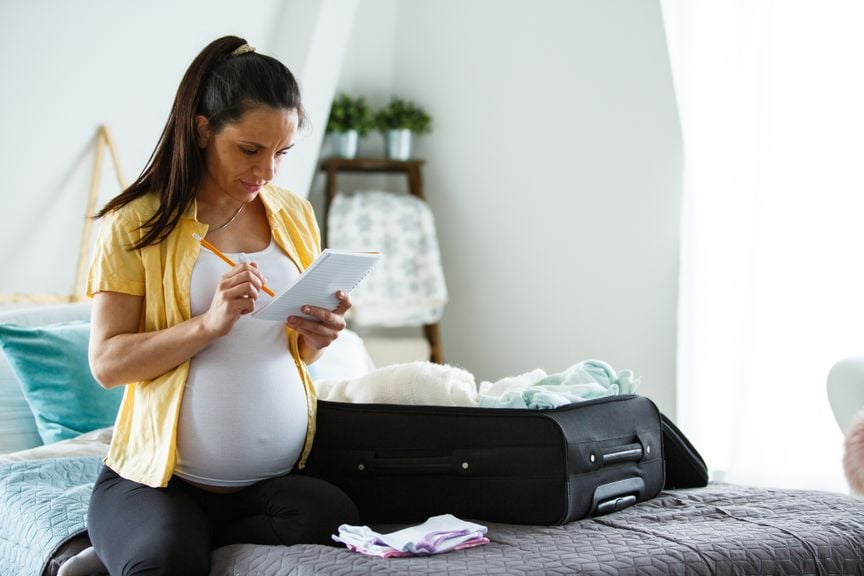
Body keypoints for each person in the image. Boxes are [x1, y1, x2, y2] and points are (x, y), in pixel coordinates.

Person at [82, 35, 360, 575]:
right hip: (160, 479)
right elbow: (107, 364)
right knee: (166, 563)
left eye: (281, 153)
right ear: (203, 128)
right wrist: (208, 324)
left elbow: (296, 355)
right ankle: (134, 539)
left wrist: (316, 337)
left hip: (268, 483)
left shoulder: (293, 213)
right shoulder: (135, 223)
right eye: (250, 150)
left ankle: (187, 537)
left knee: (335, 516)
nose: (267, 173)